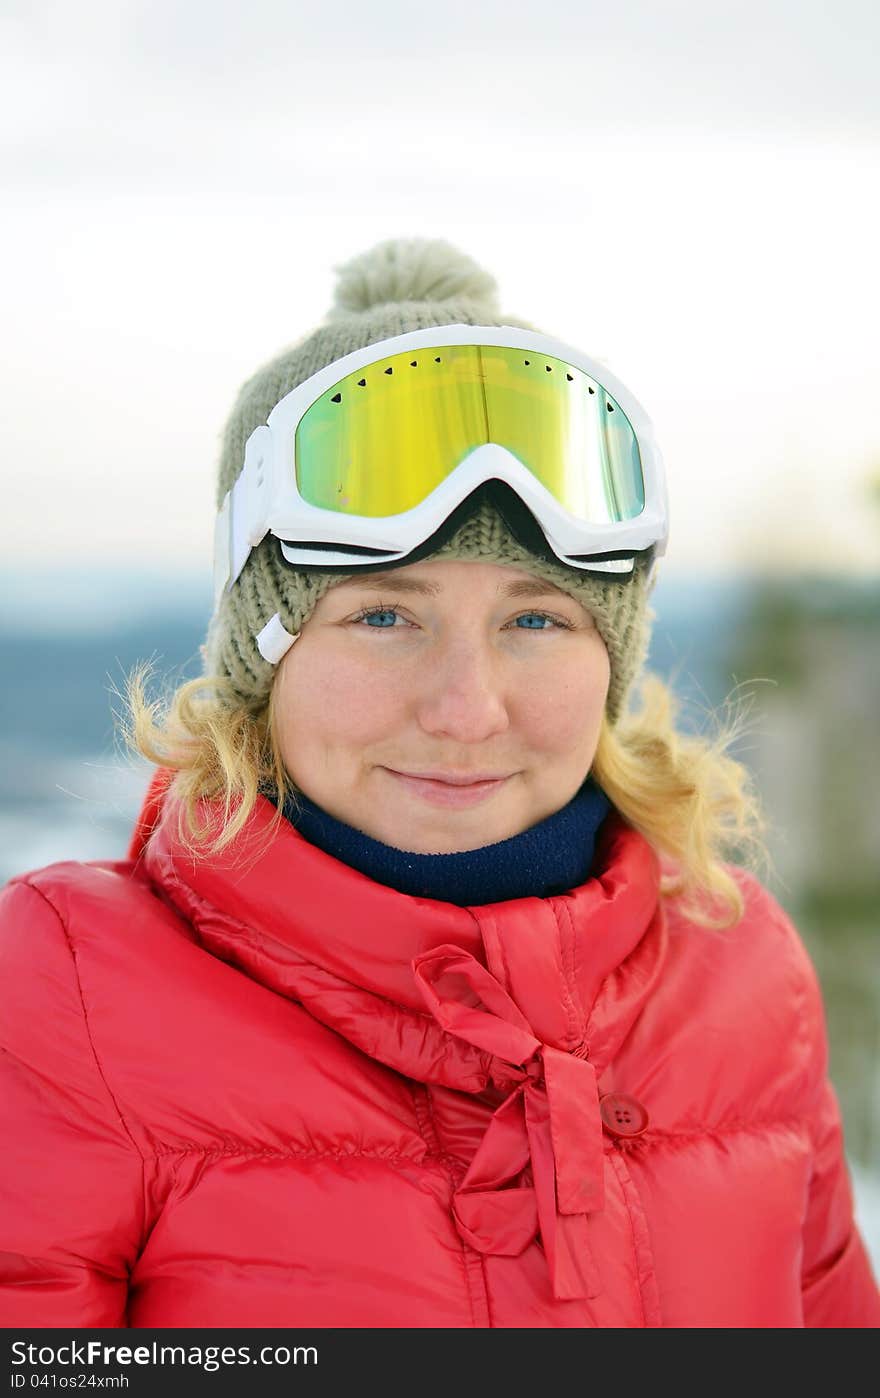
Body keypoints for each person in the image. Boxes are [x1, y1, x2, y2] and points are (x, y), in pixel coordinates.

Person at [1, 236, 878, 1330]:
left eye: (534, 620)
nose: (467, 709)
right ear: (262, 660)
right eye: (382, 616)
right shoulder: (67, 989)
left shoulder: (739, 968)